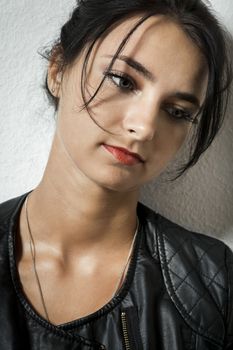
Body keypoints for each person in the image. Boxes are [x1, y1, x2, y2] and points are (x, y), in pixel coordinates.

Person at [0, 0, 232, 349]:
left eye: (177, 111)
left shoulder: (217, 283)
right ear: (58, 69)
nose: (144, 126)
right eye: (122, 80)